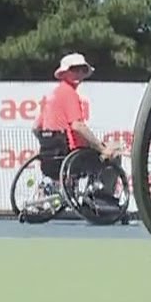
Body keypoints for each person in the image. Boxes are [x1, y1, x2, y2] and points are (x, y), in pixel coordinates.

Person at [33, 53, 123, 205]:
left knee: (106, 148)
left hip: (51, 158)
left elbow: (36, 127)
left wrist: (49, 143)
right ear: (64, 72)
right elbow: (78, 126)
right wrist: (101, 148)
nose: (79, 73)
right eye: (75, 69)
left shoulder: (52, 95)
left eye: (82, 69)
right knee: (115, 152)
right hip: (74, 156)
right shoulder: (70, 94)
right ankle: (101, 197)